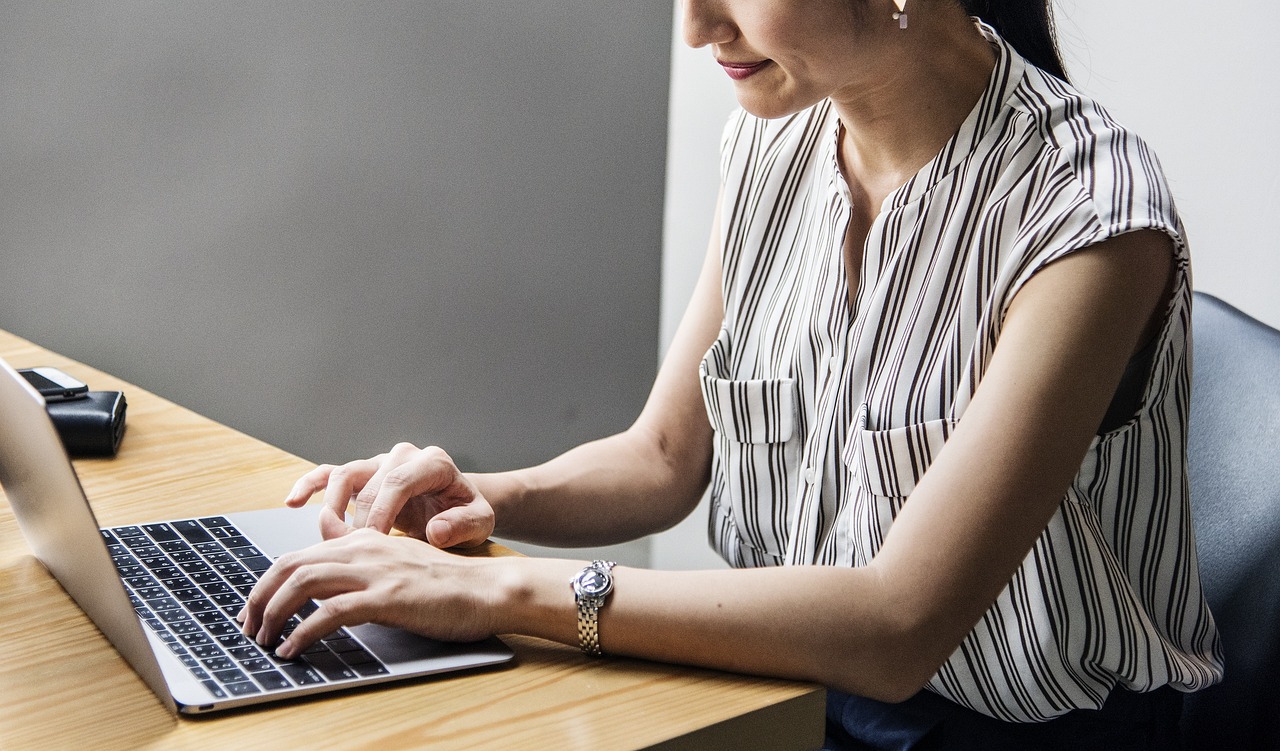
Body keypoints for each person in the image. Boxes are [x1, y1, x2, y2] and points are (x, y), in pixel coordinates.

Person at [237, 1, 1224, 747]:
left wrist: (496, 593)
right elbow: (663, 456)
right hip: (782, 694)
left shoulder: (1087, 219)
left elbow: (895, 626)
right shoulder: (774, 133)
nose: (697, 28)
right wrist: (475, 503)